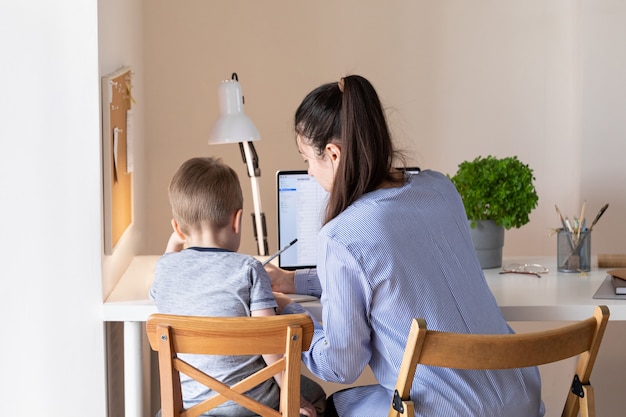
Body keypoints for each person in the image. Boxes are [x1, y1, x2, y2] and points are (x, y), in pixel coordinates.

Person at [268, 75, 545, 417]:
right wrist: (294, 282)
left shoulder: (340, 236)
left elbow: (342, 366)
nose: (308, 171)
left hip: (443, 412)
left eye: (307, 159)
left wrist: (289, 315)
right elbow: (397, 274)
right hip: (523, 402)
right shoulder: (440, 188)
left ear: (333, 154)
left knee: (328, 405)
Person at [149, 157, 325, 417]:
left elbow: (160, 278)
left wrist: (175, 244)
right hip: (254, 404)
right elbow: (271, 347)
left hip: (192, 406)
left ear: (178, 228)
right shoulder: (249, 270)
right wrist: (295, 399)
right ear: (237, 220)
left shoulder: (165, 270)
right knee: (317, 396)